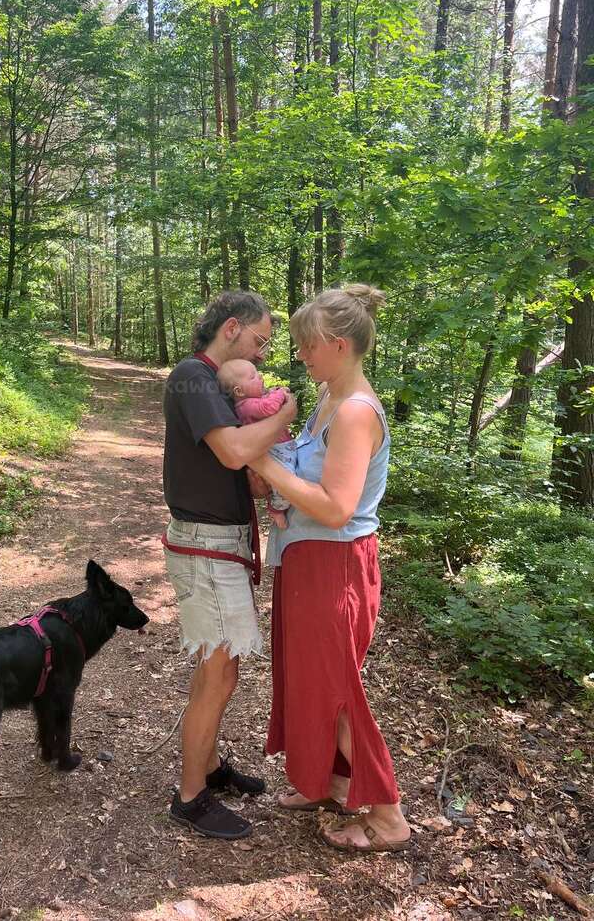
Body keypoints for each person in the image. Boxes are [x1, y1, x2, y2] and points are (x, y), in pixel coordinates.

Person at [249, 284, 411, 854]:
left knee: (339, 690)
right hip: (306, 559)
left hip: (336, 567)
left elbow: (337, 506)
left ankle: (388, 816)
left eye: (306, 345)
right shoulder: (327, 400)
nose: (300, 354)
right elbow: (307, 480)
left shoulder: (357, 413)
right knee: (313, 681)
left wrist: (260, 461)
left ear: (338, 345)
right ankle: (334, 785)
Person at [162, 291, 297, 840]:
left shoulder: (211, 381)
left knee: (221, 667)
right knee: (219, 670)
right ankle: (190, 798)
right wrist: (285, 414)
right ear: (233, 327)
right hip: (205, 545)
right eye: (261, 340)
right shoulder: (194, 377)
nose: (264, 354)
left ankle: (210, 768)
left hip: (221, 543)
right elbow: (233, 451)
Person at [216, 359, 295, 528]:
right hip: (276, 451)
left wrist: (272, 393)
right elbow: (270, 407)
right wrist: (281, 392)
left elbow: (267, 402)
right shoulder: (246, 406)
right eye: (253, 377)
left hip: (283, 448)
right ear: (239, 391)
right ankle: (276, 509)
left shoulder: (253, 401)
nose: (260, 377)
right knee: (287, 487)